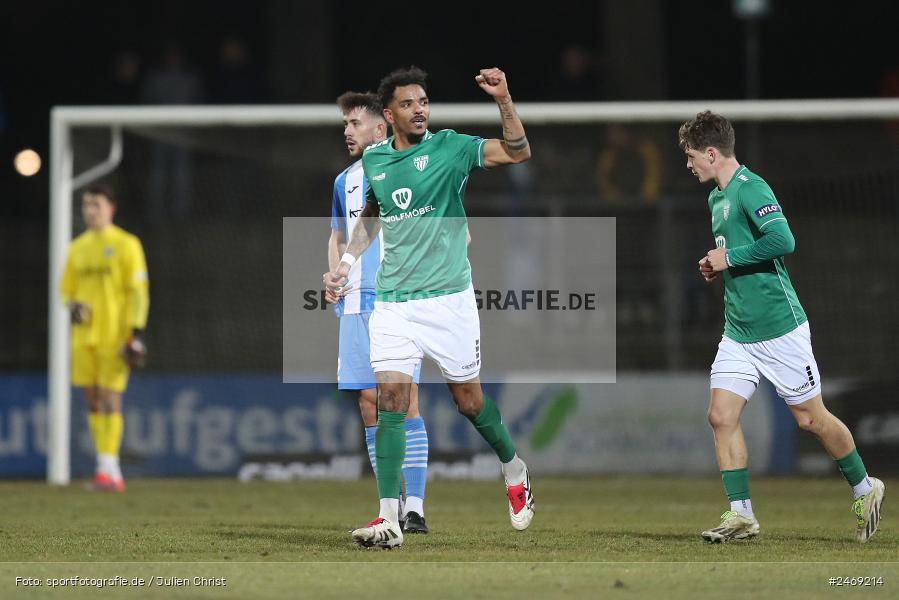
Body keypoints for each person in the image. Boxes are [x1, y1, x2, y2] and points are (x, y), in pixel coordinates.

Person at [324, 66, 535, 549]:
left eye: (423, 101)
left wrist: (504, 99)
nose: (419, 109)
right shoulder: (376, 159)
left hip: (448, 300)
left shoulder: (451, 148)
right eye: (408, 104)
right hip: (394, 301)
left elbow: (518, 151)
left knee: (469, 402)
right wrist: (348, 263)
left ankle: (513, 467)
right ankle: (389, 518)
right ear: (390, 114)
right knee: (389, 400)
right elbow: (373, 212)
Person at [679, 111, 884, 543]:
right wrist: (717, 265)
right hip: (738, 332)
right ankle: (741, 515)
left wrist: (730, 258)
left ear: (712, 154)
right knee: (720, 415)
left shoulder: (752, 188)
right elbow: (737, 253)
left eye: (692, 155)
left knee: (811, 419)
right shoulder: (716, 199)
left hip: (779, 328)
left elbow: (783, 240)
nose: (689, 164)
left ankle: (865, 488)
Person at [327, 91, 430, 534]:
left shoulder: (413, 169)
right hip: (355, 303)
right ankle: (392, 505)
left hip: (399, 298)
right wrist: (334, 275)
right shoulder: (344, 181)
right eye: (345, 125)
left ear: (379, 128)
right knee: (368, 403)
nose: (347, 131)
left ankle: (416, 509)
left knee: (404, 402)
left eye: (354, 123)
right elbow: (337, 236)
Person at [61, 184, 149, 492]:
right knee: (93, 400)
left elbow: (138, 291)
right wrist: (73, 306)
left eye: (96, 205)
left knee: (111, 398)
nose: (90, 211)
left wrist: (135, 332)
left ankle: (109, 468)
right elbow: (66, 291)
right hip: (84, 337)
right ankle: (107, 467)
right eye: (86, 205)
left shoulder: (126, 244)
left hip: (115, 335)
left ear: (111, 208)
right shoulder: (76, 248)